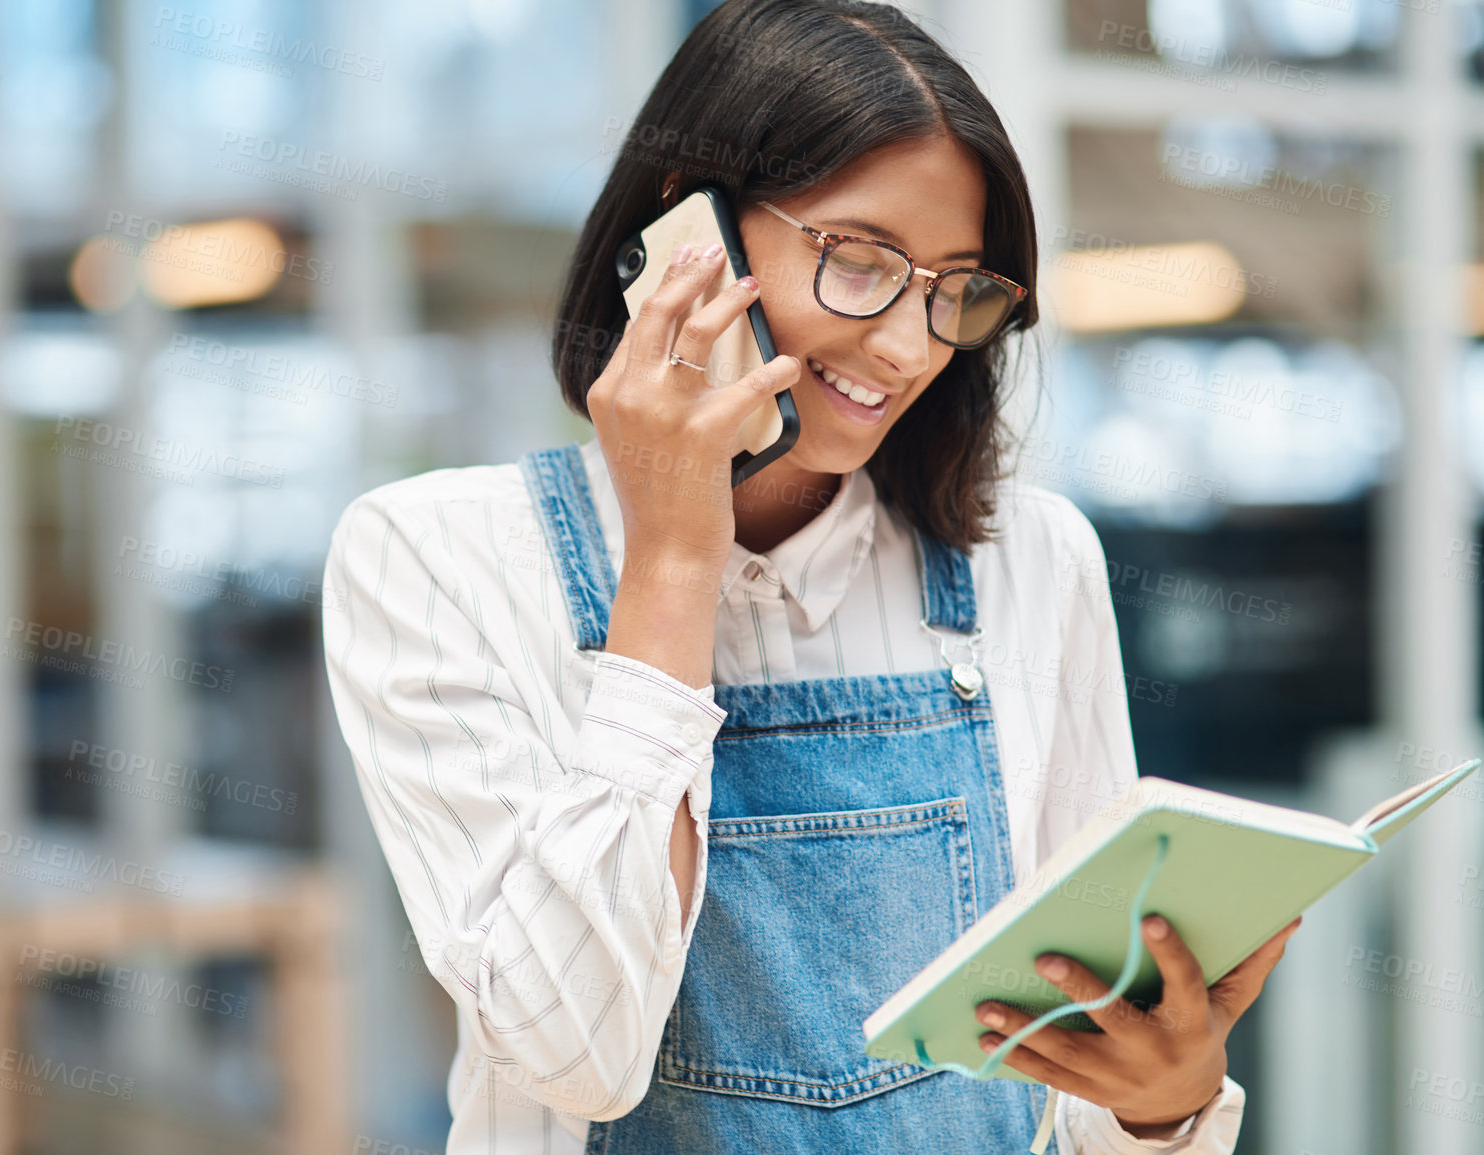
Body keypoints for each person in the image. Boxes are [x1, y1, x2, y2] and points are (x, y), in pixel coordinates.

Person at [320, 1, 1300, 1150]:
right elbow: (572, 1055)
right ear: (693, 227)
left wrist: (1161, 1107)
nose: (907, 346)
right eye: (862, 261)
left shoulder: (1031, 560)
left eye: (957, 289)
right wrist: (675, 561)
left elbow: (1074, 1099)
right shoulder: (437, 559)